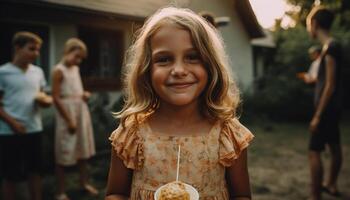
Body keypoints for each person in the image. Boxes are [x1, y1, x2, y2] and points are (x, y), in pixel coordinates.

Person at [105, 7, 254, 200]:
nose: (179, 70)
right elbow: (115, 193)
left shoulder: (227, 134)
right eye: (164, 59)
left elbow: (242, 195)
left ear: (210, 66)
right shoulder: (132, 133)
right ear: (147, 70)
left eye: (192, 57)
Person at [0, 31, 52, 200]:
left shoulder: (38, 72)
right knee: (11, 174)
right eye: (31, 49)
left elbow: (42, 96)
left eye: (38, 50)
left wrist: (45, 101)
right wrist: (13, 123)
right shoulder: (3, 72)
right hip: (9, 132)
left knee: (35, 171)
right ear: (17, 48)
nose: (36, 53)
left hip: (34, 128)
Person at [52, 38, 98, 200]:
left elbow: (76, 90)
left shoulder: (75, 69)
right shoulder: (58, 70)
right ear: (68, 51)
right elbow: (56, 97)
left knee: (82, 149)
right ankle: (61, 191)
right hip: (67, 113)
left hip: (80, 111)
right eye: (76, 56)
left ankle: (84, 183)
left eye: (80, 58)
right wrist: (69, 120)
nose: (78, 61)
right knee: (64, 151)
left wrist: (83, 95)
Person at [306, 6, 343, 200]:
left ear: (315, 24)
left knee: (314, 151)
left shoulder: (330, 48)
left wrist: (318, 115)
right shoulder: (333, 47)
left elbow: (330, 84)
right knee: (335, 147)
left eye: (308, 25)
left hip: (326, 110)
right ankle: (331, 183)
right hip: (333, 109)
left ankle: (315, 196)